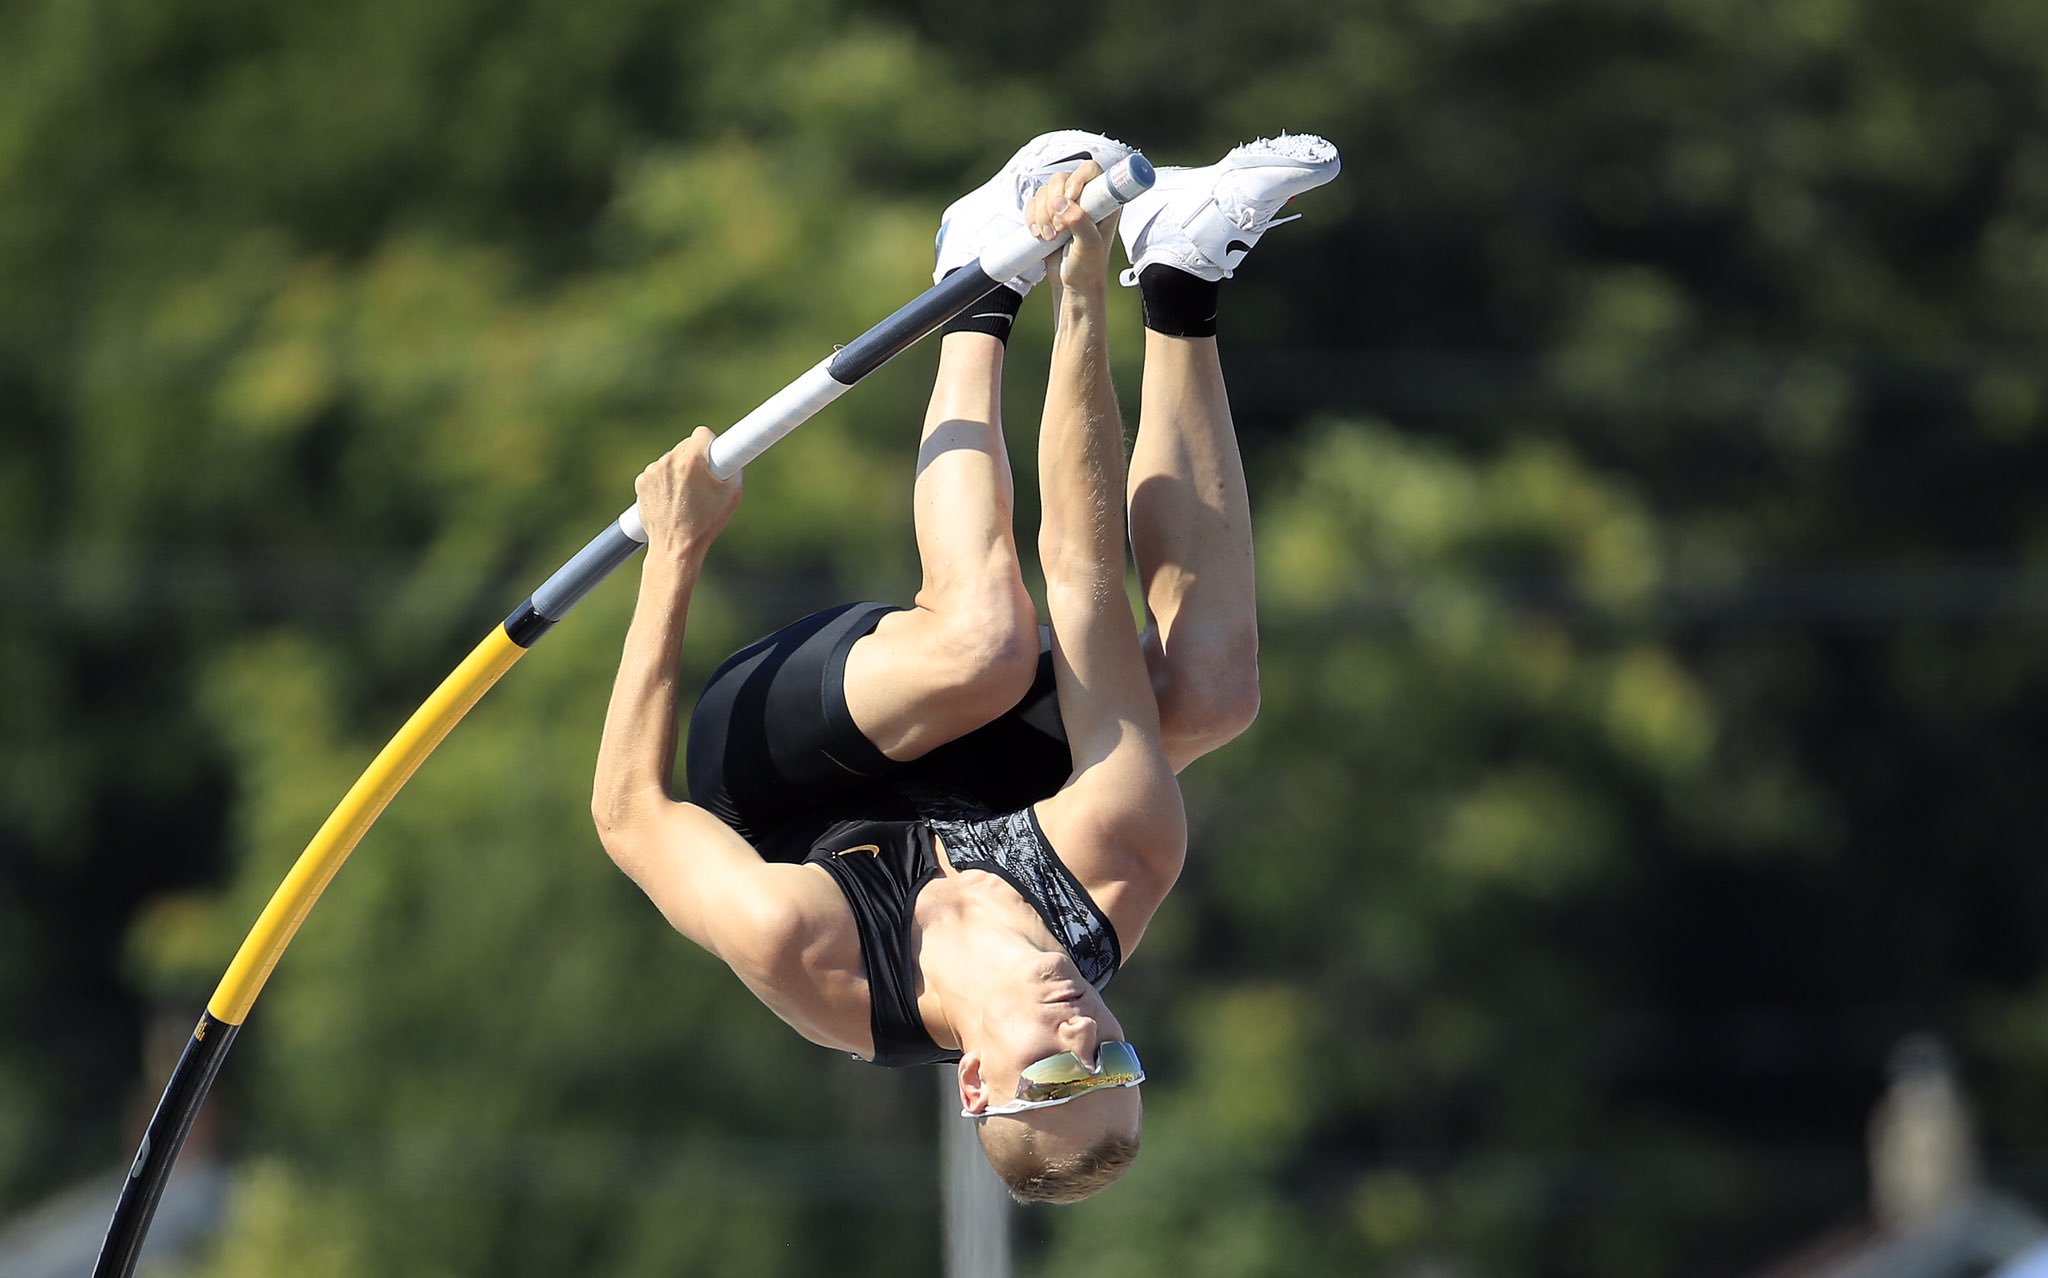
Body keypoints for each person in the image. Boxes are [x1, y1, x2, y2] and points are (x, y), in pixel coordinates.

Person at [591, 130, 1341, 1203]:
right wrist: (1084, 295)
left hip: (787, 766)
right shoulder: (1116, 865)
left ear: (977, 1083)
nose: (1086, 1032)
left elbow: (627, 814)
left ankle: (970, 285)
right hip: (992, 777)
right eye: (1117, 1062)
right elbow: (1085, 582)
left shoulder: (809, 949)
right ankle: (1180, 275)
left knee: (985, 638)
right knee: (1211, 693)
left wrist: (675, 552)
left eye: (1057, 1072)